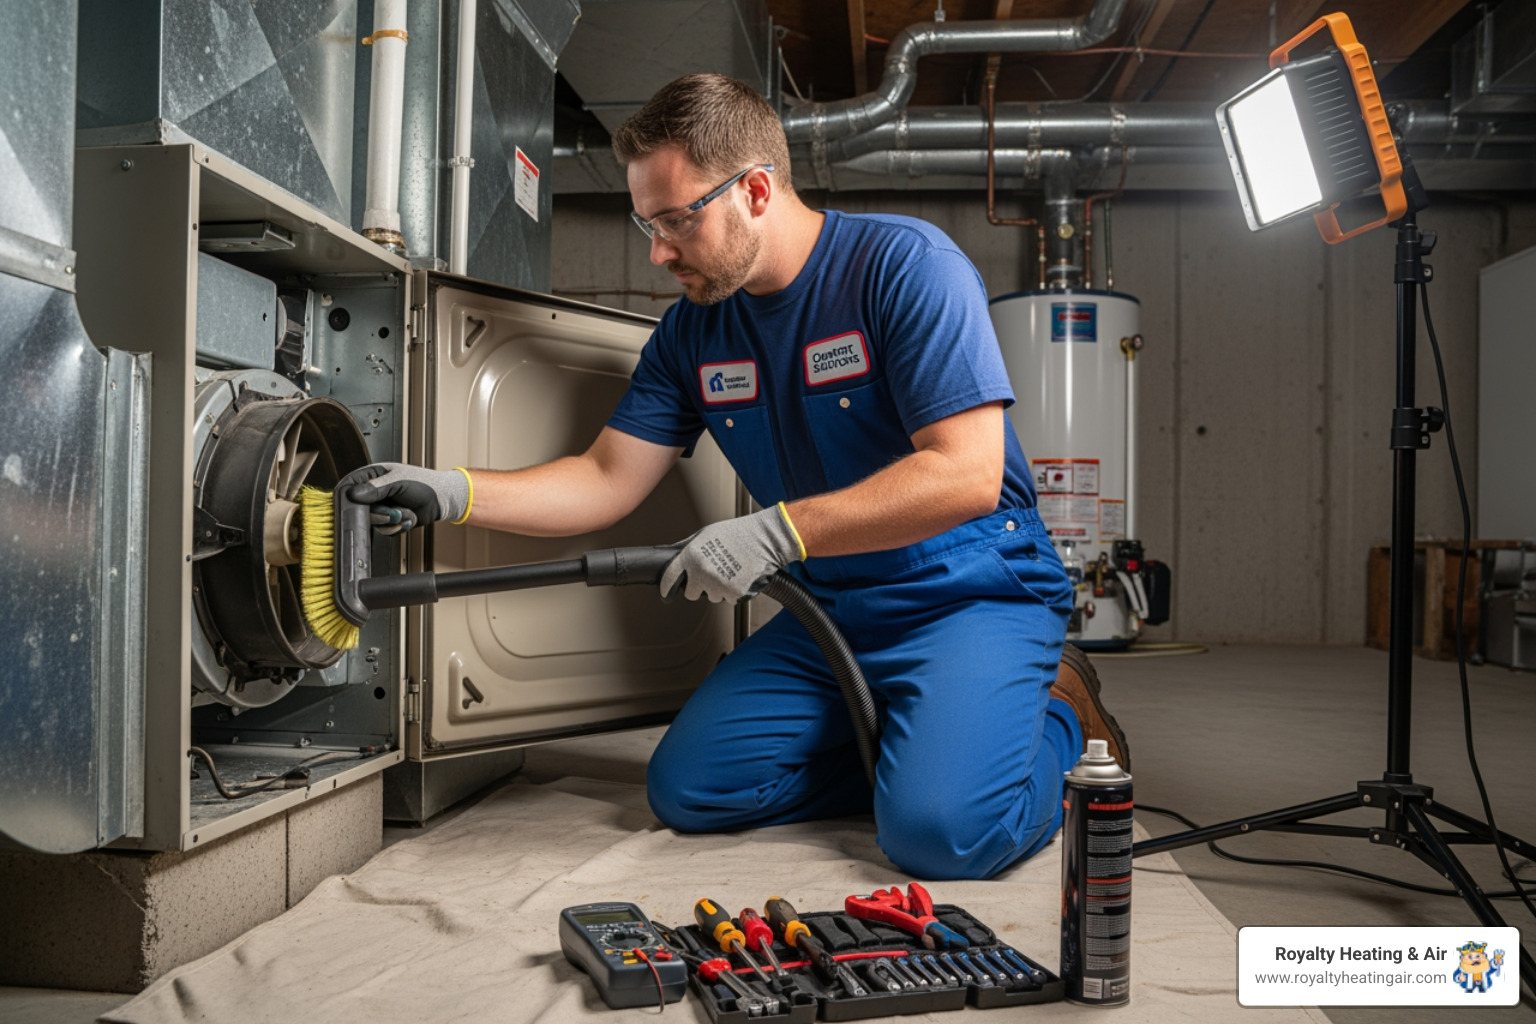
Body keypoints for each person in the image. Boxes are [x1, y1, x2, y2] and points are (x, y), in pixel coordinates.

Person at [341, 73, 1126, 880]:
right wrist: (453, 492)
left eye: (677, 220)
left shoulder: (906, 266)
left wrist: (779, 533)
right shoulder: (692, 334)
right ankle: (922, 757)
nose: (657, 252)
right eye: (647, 224)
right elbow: (605, 478)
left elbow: (967, 475)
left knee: (942, 837)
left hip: (968, 593)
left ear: (754, 190)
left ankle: (1060, 718)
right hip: (834, 609)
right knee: (691, 790)